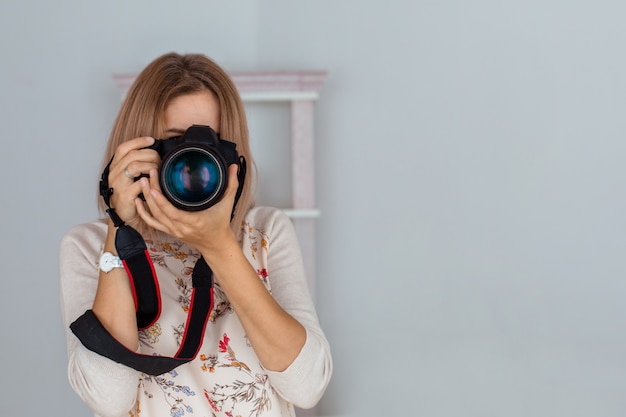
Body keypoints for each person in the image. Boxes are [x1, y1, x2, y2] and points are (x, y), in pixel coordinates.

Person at [59, 52, 332, 417]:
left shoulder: (264, 233)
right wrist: (117, 227)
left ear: (233, 157)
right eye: (175, 144)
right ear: (137, 151)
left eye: (210, 146)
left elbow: (307, 386)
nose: (193, 165)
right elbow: (109, 399)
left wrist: (218, 245)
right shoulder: (90, 247)